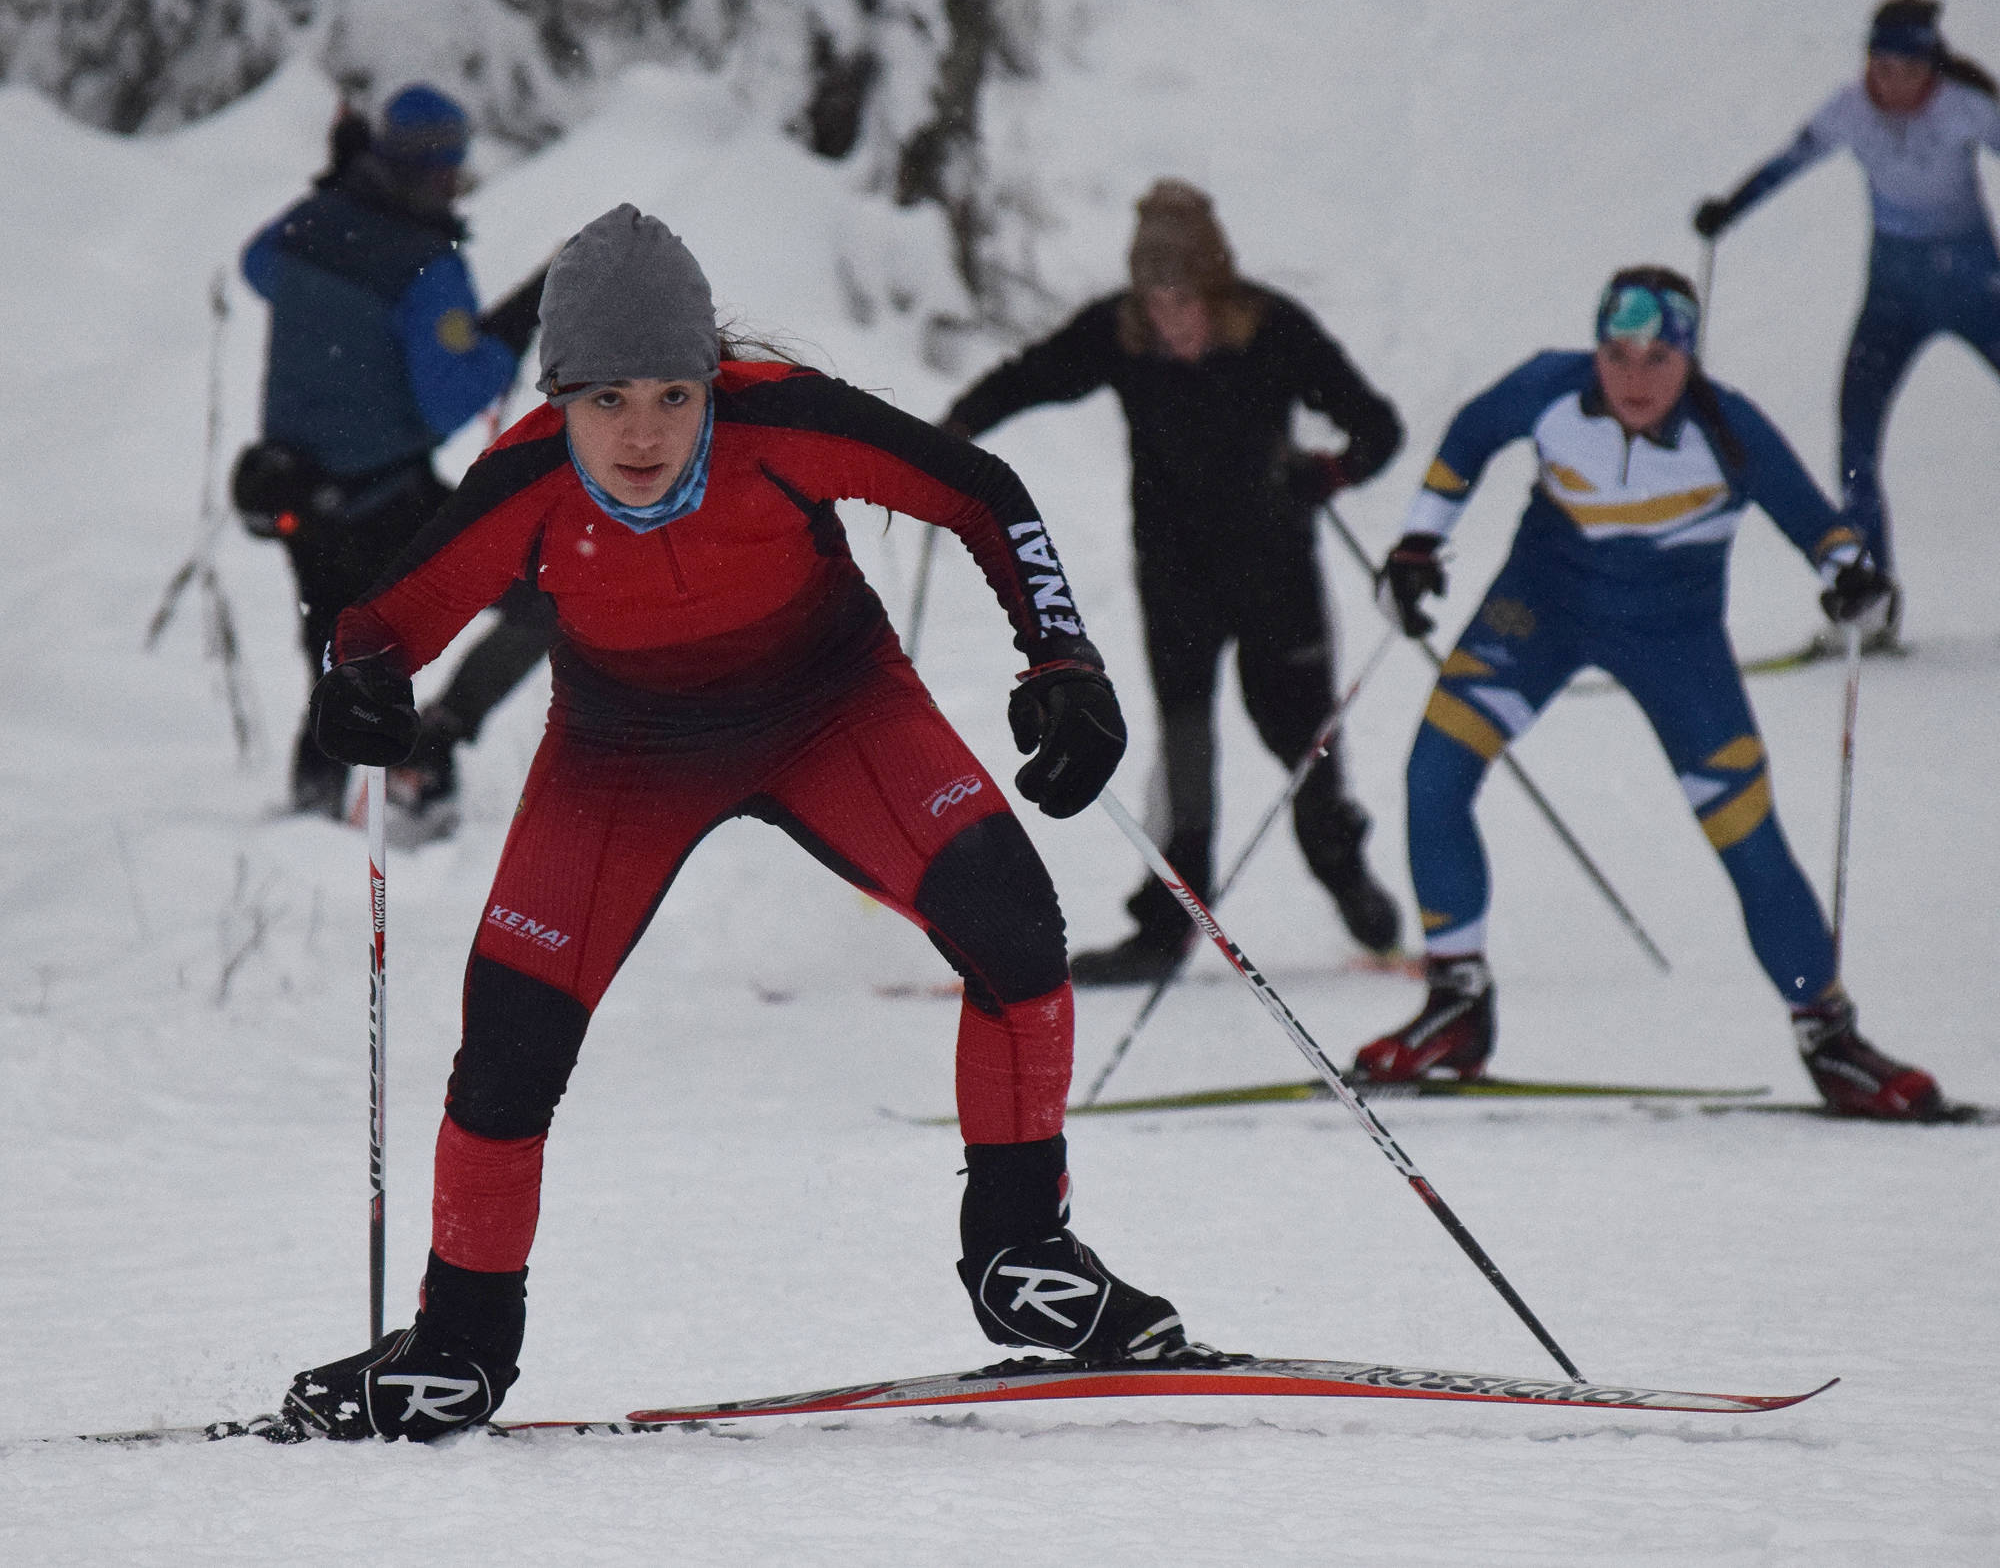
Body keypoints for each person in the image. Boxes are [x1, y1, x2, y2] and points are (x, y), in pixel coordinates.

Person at [281, 205, 1197, 1441]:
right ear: (557, 398)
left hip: (831, 710)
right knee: (508, 1041)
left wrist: (1063, 662)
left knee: (1016, 931)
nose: (643, 431)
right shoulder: (525, 485)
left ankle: (1022, 1259)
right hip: (622, 756)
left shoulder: (784, 421)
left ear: (712, 379)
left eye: (672, 392)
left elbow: (984, 494)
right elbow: (376, 630)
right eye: (606, 400)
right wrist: (360, 690)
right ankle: (456, 1343)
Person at [1356, 265, 1946, 1122]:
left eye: (1657, 359)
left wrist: (1853, 578)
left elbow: (1821, 527)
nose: (1633, 379)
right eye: (1617, 354)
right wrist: (1417, 544)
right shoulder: (1550, 388)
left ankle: (1831, 1035)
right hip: (1540, 609)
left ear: (1689, 360)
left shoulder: (1729, 429)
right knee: (1433, 774)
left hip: (1677, 644)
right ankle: (1456, 1003)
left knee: (1748, 835)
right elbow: (1469, 438)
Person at [942, 180, 1406, 985]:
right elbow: (1031, 375)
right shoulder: (1118, 335)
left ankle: (1342, 871)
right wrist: (954, 433)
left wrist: (1328, 472)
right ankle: (1167, 926)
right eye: (1155, 299)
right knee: (1184, 749)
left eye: (1184, 297)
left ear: (1214, 287)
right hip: (1176, 578)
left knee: (1303, 744)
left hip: (1277, 576)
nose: (1170, 318)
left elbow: (1378, 426)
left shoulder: (1272, 330)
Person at [238, 85, 554, 831]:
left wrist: (334, 193)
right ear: (446, 166)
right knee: (548, 602)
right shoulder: (424, 264)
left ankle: (311, 819)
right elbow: (452, 399)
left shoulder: (313, 225)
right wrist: (509, 330)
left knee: (339, 656)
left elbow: (259, 268)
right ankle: (435, 741)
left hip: (295, 492)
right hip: (384, 502)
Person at [1694, 0, 2000, 655]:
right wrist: (1730, 208)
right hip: (1894, 295)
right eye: (1880, 63)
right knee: (1856, 434)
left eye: (1906, 66)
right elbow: (1788, 163)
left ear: (1930, 66)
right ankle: (1873, 599)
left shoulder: (1964, 107)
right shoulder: (1849, 111)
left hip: (1977, 286)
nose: (1891, 79)